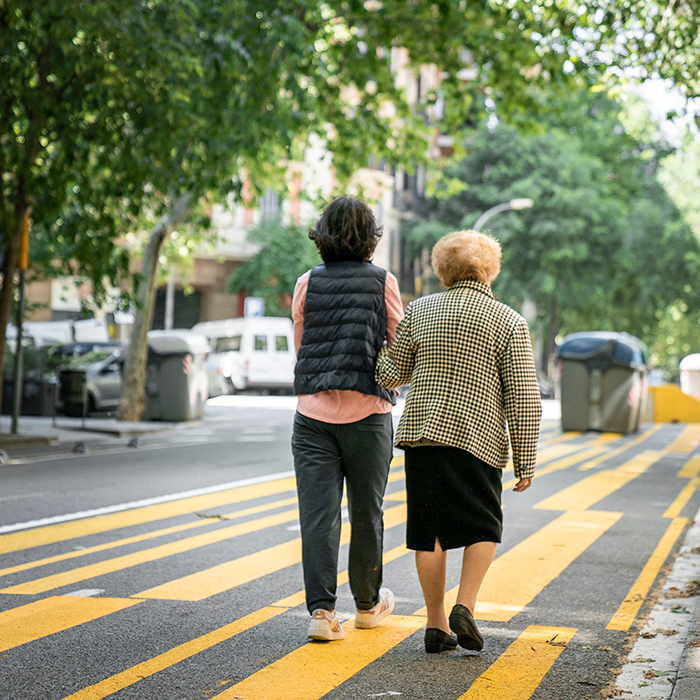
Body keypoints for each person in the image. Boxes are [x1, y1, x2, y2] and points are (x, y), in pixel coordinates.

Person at [375, 229, 541, 654]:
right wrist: (526, 461)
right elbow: (523, 397)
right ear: (491, 270)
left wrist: (376, 349)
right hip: (479, 439)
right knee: (482, 524)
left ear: (442, 270)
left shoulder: (421, 311)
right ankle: (464, 605)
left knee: (428, 531)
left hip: (424, 435)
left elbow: (391, 374)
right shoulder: (509, 321)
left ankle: (434, 625)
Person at [291, 196, 404, 641]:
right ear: (370, 239)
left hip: (312, 415)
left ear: (322, 236)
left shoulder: (307, 282)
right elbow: (397, 341)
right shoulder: (382, 282)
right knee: (366, 512)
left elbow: (301, 344)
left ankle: (321, 614)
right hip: (368, 415)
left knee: (318, 517)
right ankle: (367, 605)